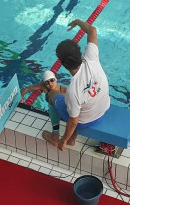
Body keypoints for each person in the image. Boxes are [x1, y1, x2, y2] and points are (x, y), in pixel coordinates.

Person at [48, 19, 110, 152]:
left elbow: (73, 122)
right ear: (80, 53)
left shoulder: (73, 89)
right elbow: (92, 30)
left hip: (86, 121)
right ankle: (71, 138)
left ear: (63, 64)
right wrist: (77, 22)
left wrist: (63, 140)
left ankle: (57, 137)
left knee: (52, 94)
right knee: (75, 103)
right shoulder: (91, 58)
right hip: (103, 109)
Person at [20, 70, 68, 144]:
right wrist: (22, 97)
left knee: (52, 107)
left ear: (56, 79)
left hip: (63, 110)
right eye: (47, 82)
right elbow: (25, 89)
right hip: (58, 111)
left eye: (52, 80)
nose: (50, 84)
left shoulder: (64, 90)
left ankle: (55, 138)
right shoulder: (44, 86)